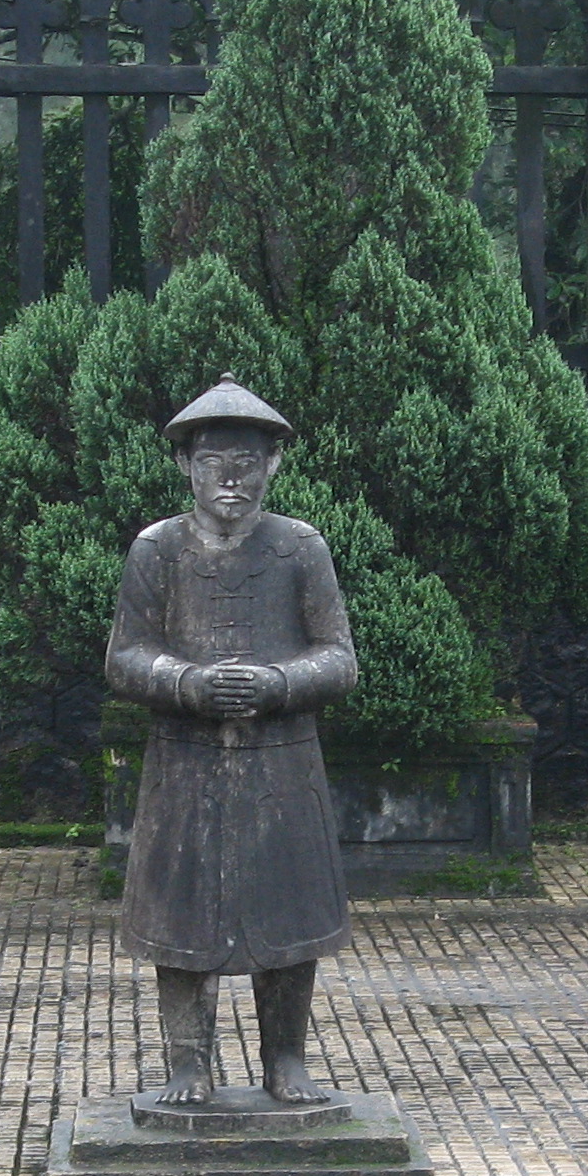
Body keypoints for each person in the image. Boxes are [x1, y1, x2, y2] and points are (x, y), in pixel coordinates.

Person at [107, 378, 358, 1107]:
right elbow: (124, 657)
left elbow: (339, 658)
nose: (231, 479)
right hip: (183, 764)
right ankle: (189, 1063)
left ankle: (287, 1058)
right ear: (186, 465)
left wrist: (277, 683)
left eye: (247, 463)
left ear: (272, 465)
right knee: (181, 918)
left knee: (291, 917)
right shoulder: (157, 549)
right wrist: (186, 682)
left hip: (283, 764)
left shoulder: (299, 547)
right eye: (214, 462)